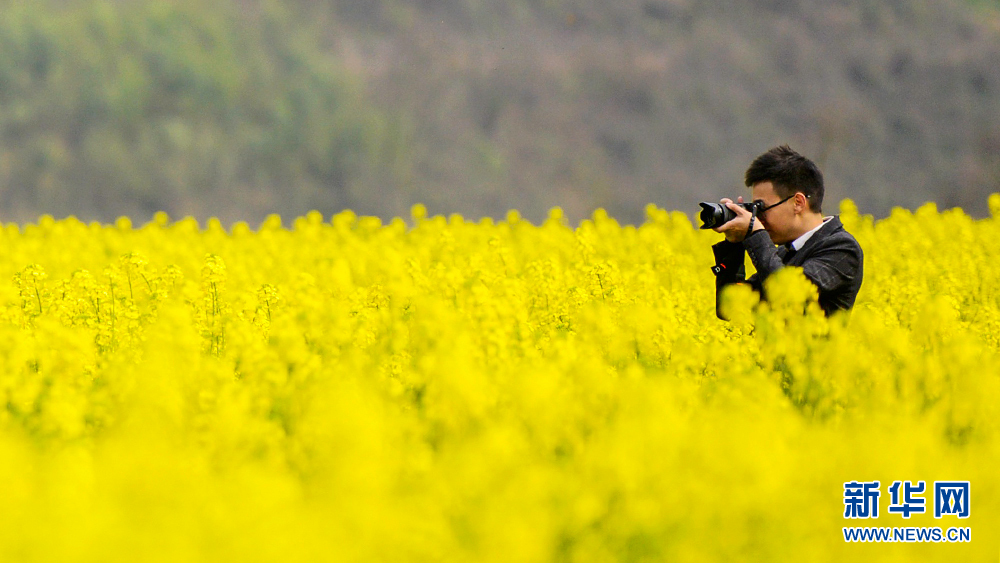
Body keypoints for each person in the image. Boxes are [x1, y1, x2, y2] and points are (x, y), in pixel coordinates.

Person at [710, 145, 863, 319]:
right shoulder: (784, 254)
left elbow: (789, 294)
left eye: (762, 208)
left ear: (798, 202)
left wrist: (755, 234)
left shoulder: (842, 248)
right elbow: (731, 309)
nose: (758, 217)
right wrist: (734, 245)